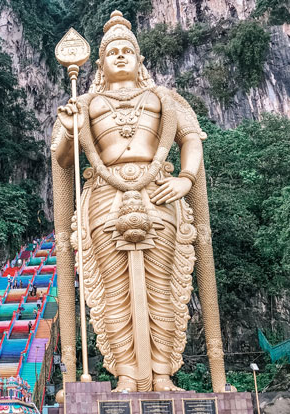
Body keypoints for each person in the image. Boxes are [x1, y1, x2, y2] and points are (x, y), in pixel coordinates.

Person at [52, 11, 210, 392]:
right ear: (101, 63)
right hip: (105, 198)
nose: (120, 56)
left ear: (140, 60)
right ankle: (125, 375)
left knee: (162, 287)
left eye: (127, 50)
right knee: (112, 290)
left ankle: (161, 375)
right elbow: (61, 158)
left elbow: (191, 139)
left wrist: (184, 179)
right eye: (112, 52)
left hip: (159, 192)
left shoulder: (164, 98)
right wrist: (72, 130)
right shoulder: (83, 103)